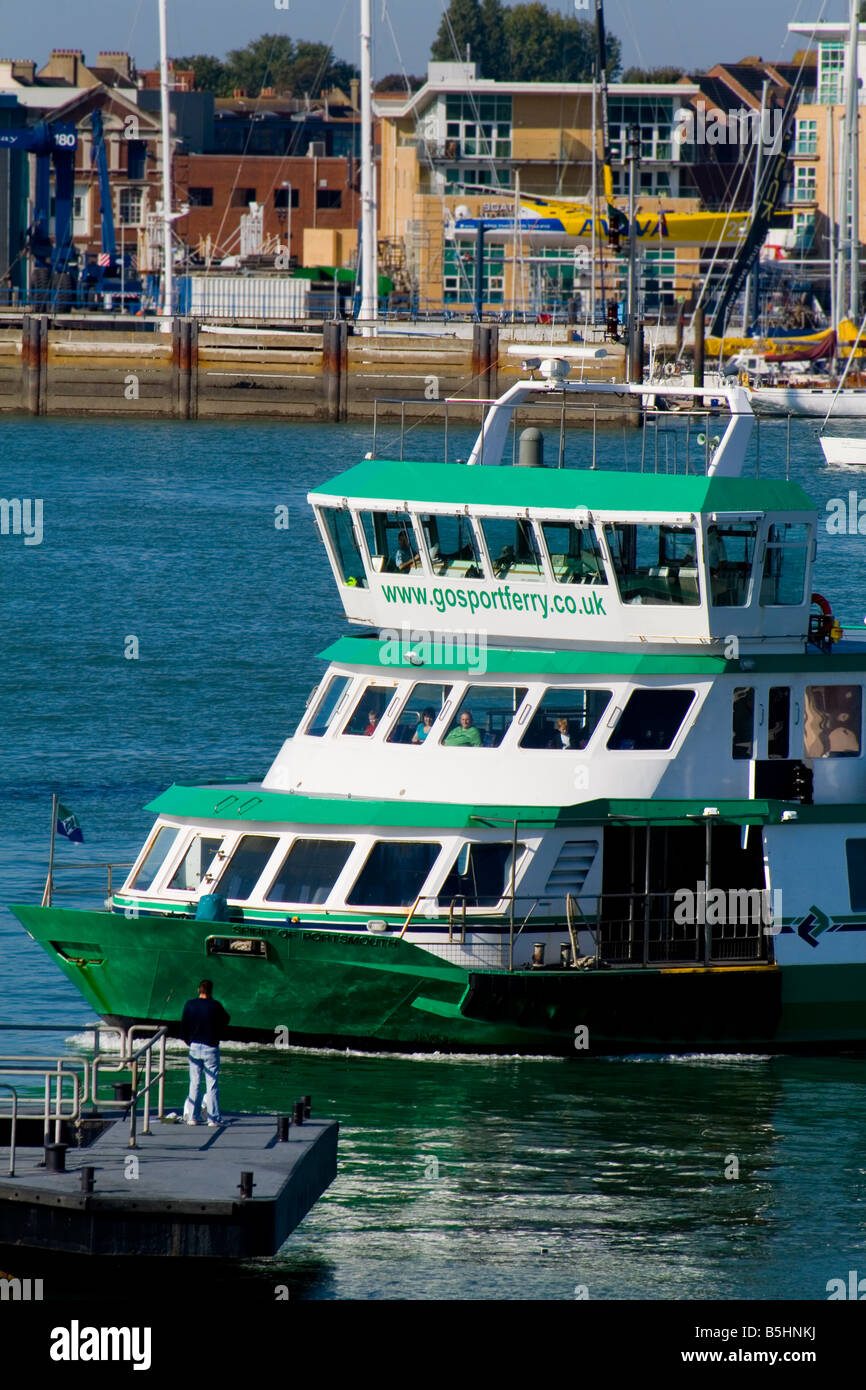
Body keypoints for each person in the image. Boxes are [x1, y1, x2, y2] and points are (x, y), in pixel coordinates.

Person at [181, 979, 230, 1126]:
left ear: (198, 990)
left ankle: (192, 1117)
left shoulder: (190, 1005)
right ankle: (213, 1118)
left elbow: (183, 1027)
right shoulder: (215, 1006)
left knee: (194, 1082)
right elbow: (226, 1020)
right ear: (211, 991)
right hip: (211, 1047)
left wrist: (189, 1041)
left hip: (194, 1046)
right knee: (212, 1083)